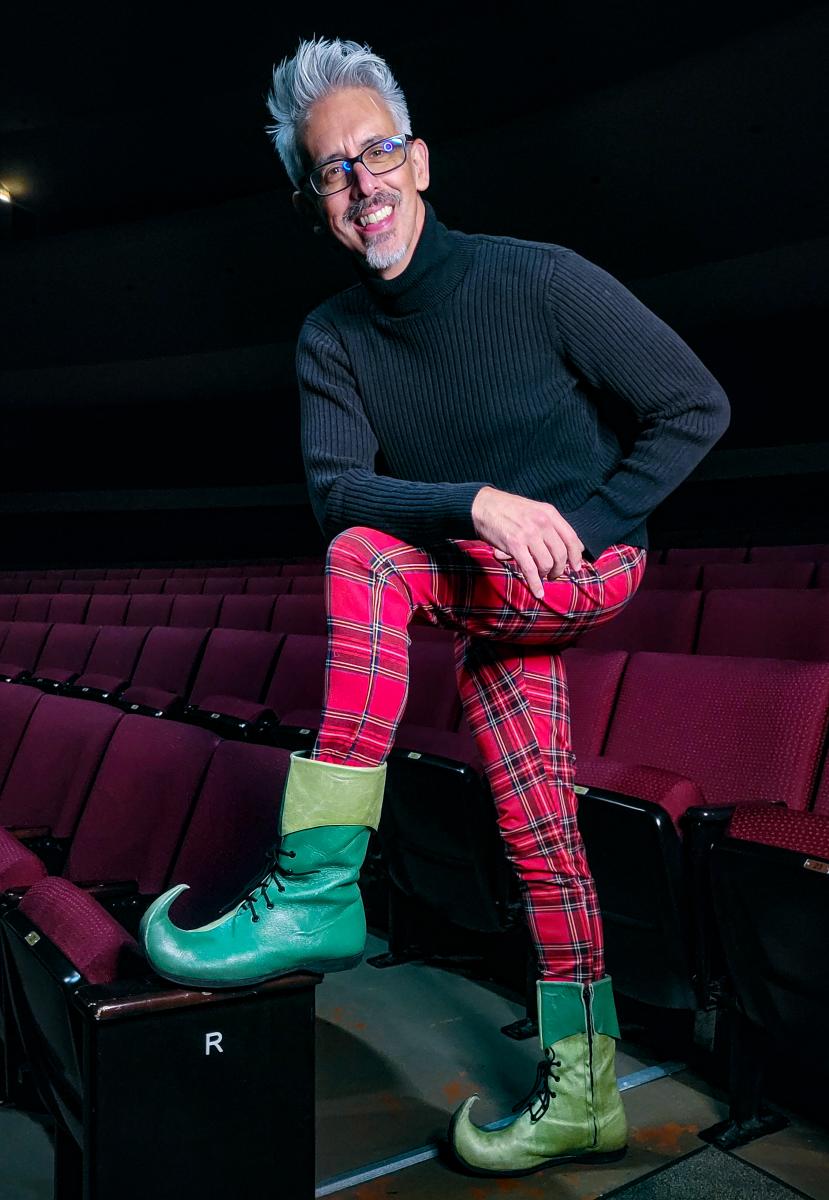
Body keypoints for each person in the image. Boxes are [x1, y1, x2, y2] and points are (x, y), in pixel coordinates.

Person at [141, 37, 730, 1177]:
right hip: (482, 577)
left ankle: (316, 890)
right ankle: (586, 1090)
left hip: (585, 563)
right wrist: (476, 501)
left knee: (369, 562)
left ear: (420, 163)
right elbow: (337, 487)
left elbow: (692, 406)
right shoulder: (333, 341)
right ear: (317, 205)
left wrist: (582, 525)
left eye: (378, 152)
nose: (362, 182)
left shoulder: (539, 278)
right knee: (536, 829)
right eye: (332, 170)